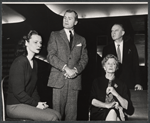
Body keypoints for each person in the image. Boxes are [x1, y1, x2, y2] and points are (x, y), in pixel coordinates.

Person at [6, 30, 61, 121]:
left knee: (58, 114)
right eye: (35, 42)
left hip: (26, 104)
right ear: (26, 43)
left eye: (40, 42)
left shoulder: (34, 63)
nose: (39, 45)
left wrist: (39, 103)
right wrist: (36, 104)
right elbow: (18, 92)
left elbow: (33, 89)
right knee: (53, 118)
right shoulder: (20, 62)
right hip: (14, 106)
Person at [47, 9, 88, 121]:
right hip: (58, 80)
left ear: (76, 22)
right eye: (64, 17)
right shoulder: (54, 35)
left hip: (74, 82)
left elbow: (84, 59)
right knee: (56, 116)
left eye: (70, 18)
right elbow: (50, 56)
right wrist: (66, 68)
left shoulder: (82, 39)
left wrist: (75, 70)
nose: (66, 20)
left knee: (72, 116)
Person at [90, 54, 134, 121]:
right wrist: (106, 105)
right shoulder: (97, 82)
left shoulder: (122, 84)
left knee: (113, 111)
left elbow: (129, 108)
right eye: (108, 63)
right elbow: (92, 101)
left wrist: (115, 93)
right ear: (104, 67)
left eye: (113, 64)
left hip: (116, 112)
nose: (110, 65)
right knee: (114, 113)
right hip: (99, 112)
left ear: (116, 67)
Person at [102, 23, 143, 90]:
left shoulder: (131, 47)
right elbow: (103, 68)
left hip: (129, 83)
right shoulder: (106, 49)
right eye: (112, 31)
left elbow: (135, 66)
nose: (113, 33)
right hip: (112, 83)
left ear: (122, 33)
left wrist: (138, 82)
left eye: (116, 30)